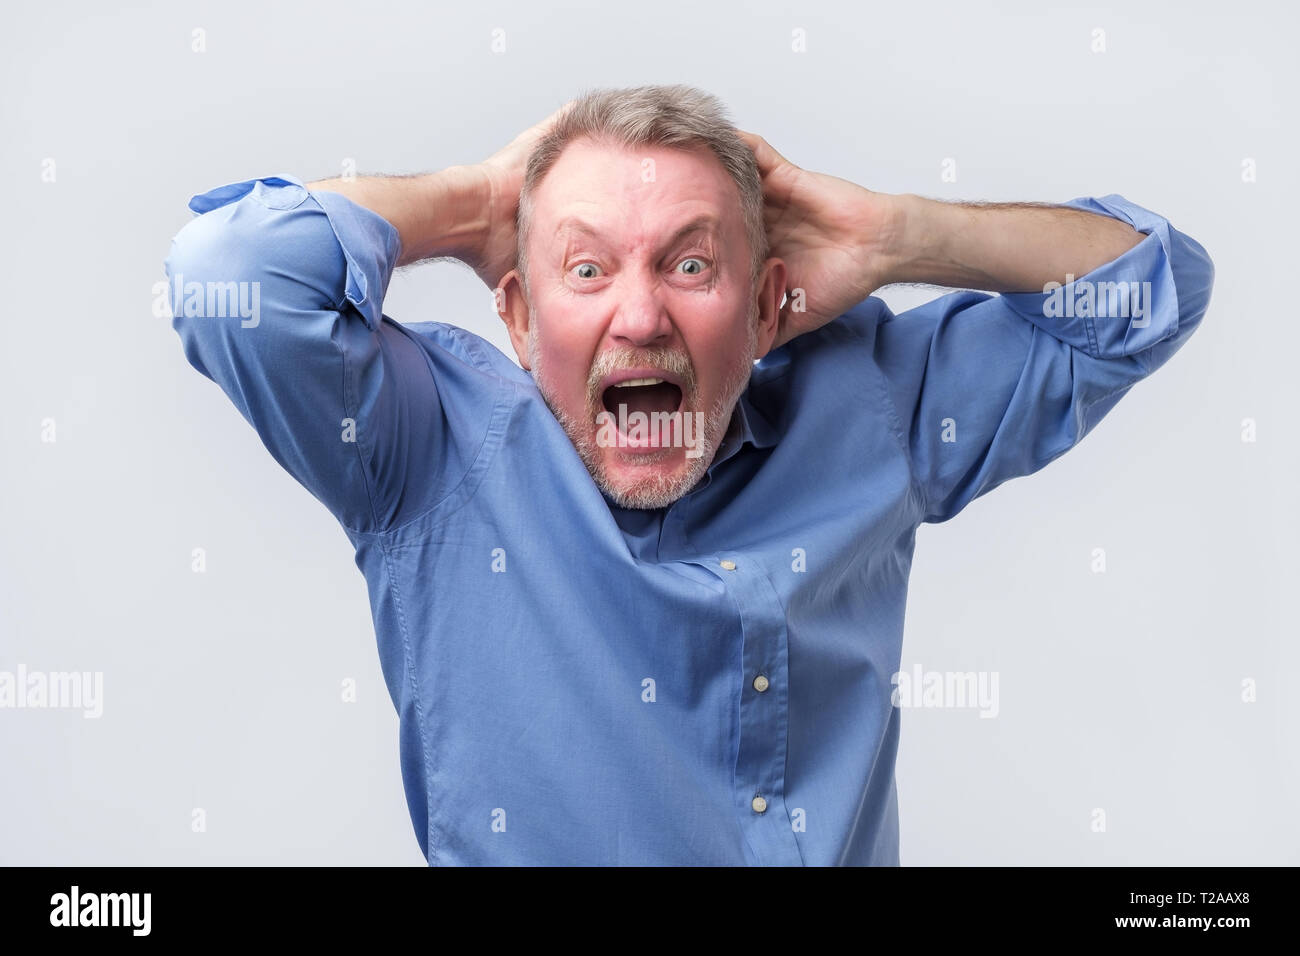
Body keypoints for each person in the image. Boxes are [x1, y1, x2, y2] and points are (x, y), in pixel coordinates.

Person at [164, 84, 1214, 865]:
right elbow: (227, 277)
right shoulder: (429, 446)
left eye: (689, 263)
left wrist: (900, 236)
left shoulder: (867, 405)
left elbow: (1148, 289)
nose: (639, 314)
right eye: (584, 269)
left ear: (766, 309)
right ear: (520, 317)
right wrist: (476, 203)